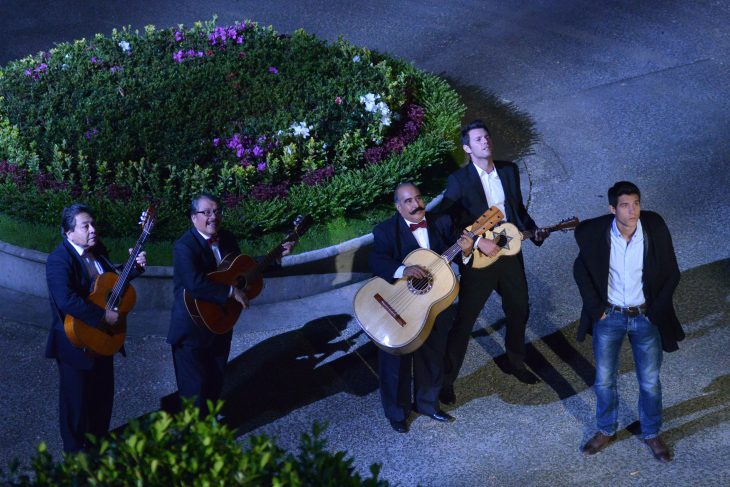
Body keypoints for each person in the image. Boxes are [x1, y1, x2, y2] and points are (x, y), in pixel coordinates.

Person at [437, 119, 547, 402]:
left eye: (486, 137)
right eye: (478, 139)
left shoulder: (508, 171)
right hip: (479, 258)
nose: (485, 141)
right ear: (467, 148)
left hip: (509, 251)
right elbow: (446, 223)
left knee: (519, 308)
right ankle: (446, 381)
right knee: (464, 321)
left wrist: (534, 231)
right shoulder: (459, 181)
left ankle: (515, 362)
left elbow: (518, 210)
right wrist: (476, 241)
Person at [573, 181, 684, 462]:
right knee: (605, 380)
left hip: (645, 317)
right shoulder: (597, 234)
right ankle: (606, 429)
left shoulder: (653, 229)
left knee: (649, 381)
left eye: (635, 203)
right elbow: (580, 269)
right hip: (609, 317)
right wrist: (595, 307)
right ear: (612, 209)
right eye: (625, 205)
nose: (632, 210)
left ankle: (651, 433)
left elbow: (672, 272)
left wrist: (656, 311)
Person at [167, 193, 293, 416]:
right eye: (206, 212)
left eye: (216, 211)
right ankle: (195, 439)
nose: (213, 217)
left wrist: (275, 257)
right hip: (192, 328)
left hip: (221, 320)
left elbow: (241, 267)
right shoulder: (184, 247)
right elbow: (194, 284)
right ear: (193, 217)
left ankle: (210, 427)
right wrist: (230, 291)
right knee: (194, 390)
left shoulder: (226, 238)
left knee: (215, 380)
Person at [368, 182, 472, 432]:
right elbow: (376, 260)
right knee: (396, 363)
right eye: (408, 201)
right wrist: (404, 270)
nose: (416, 204)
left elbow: (457, 256)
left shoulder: (441, 222)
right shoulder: (385, 231)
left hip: (434, 305)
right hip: (399, 305)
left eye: (418, 197)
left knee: (433, 356)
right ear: (398, 206)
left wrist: (467, 252)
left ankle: (427, 404)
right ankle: (397, 413)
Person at [45, 203, 147, 452]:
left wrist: (133, 269)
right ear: (69, 233)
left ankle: (97, 449)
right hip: (75, 341)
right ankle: (75, 458)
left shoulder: (96, 251)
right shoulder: (59, 260)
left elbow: (110, 283)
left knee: (102, 399)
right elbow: (66, 300)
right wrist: (103, 317)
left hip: (102, 339)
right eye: (85, 226)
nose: (92, 230)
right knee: (76, 405)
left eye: (93, 224)